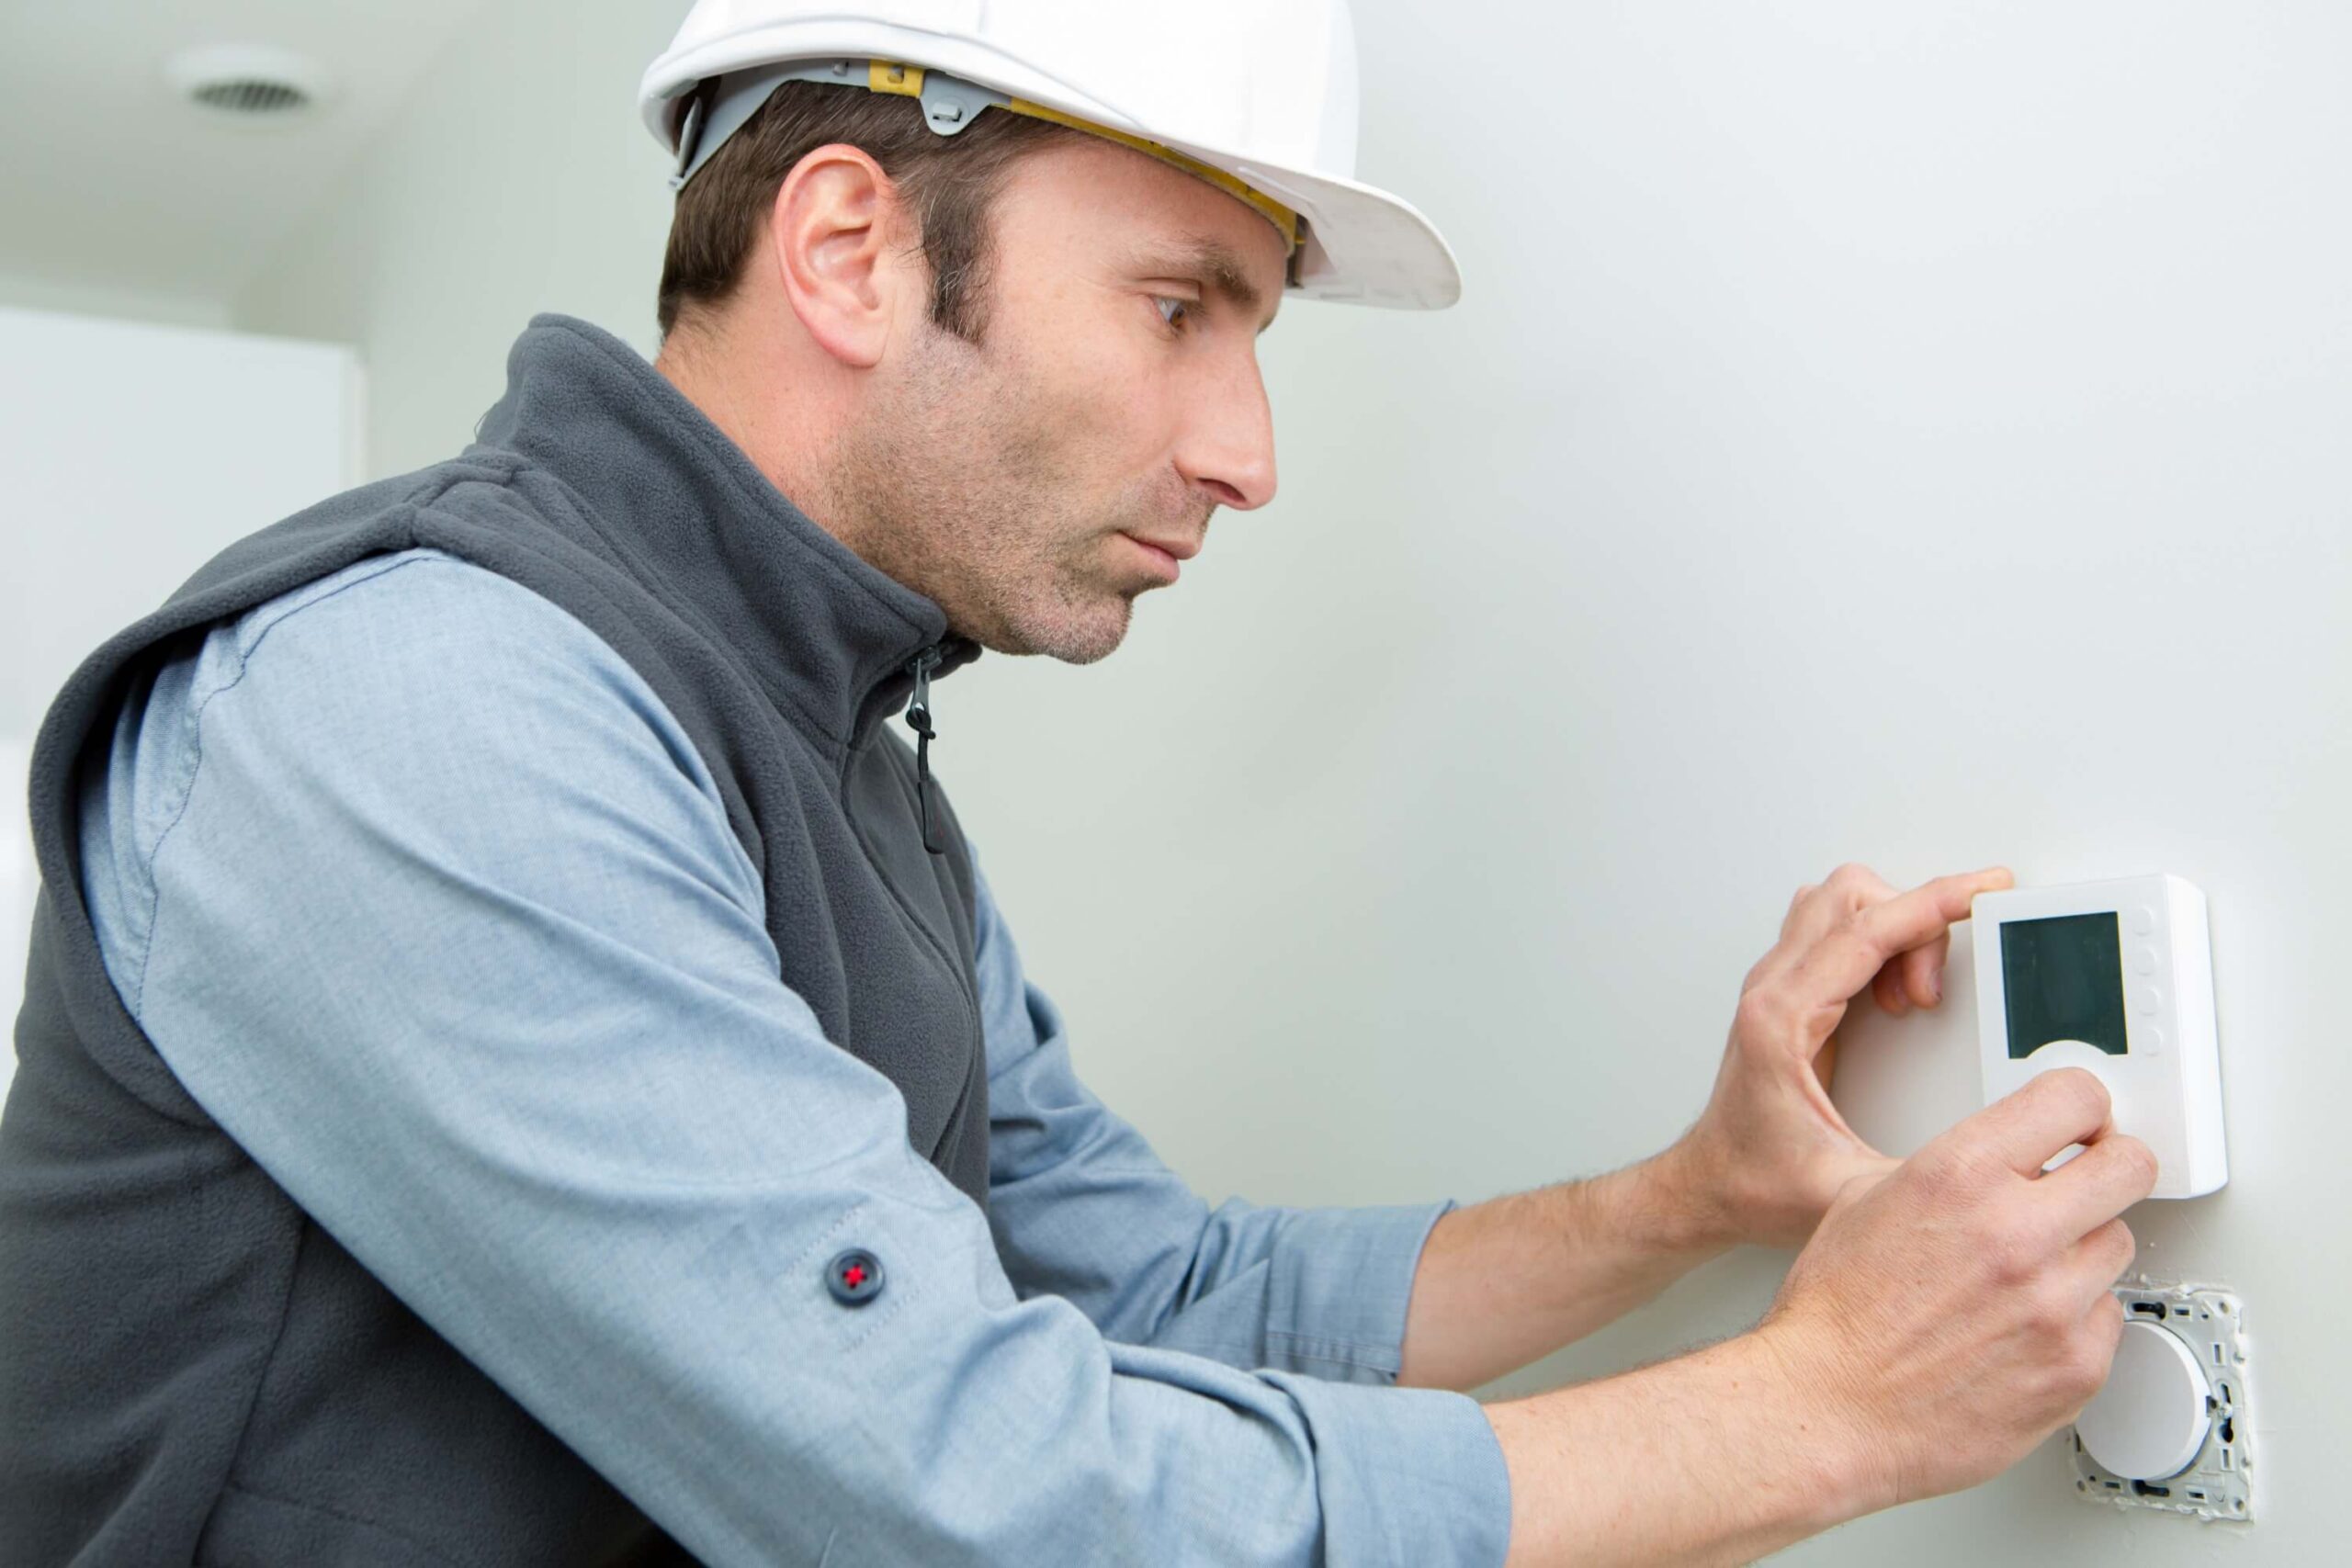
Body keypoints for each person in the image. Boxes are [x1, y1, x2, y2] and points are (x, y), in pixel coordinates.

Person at [0, 2, 2155, 1562]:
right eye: (1175, 306)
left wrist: (1690, 1194)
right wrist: (1816, 1407)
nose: (1247, 450)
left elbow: (1162, 1295)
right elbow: (967, 1496)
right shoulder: (417, 704)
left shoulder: (837, 762)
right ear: (846, 249)